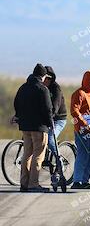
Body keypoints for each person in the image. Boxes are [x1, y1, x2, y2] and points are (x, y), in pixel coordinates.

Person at [14, 63, 53, 192]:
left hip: (25, 127)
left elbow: (17, 104)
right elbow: (48, 109)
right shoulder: (42, 89)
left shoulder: (23, 87)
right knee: (38, 155)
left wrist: (20, 117)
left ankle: (24, 183)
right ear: (42, 76)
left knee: (27, 154)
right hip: (39, 128)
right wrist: (50, 123)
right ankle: (34, 184)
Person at [70, 71, 90, 189]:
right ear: (87, 81)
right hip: (82, 129)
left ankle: (85, 181)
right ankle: (77, 181)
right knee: (82, 154)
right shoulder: (79, 93)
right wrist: (84, 123)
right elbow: (74, 111)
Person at [43, 66, 67, 156]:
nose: (45, 81)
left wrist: (50, 117)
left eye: (47, 79)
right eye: (44, 78)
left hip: (59, 119)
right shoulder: (41, 88)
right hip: (48, 118)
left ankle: (59, 160)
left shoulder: (56, 89)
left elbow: (55, 107)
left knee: (50, 139)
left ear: (50, 79)